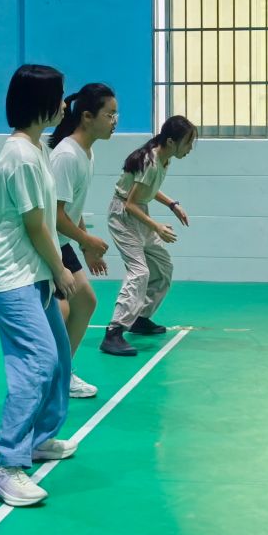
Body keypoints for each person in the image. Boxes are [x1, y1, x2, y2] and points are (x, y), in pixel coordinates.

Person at [0, 64, 79, 507]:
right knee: (37, 361)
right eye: (59, 97)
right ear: (42, 102)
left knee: (59, 359)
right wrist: (61, 270)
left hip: (32, 271)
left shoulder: (37, 148)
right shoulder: (19, 154)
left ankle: (37, 440)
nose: (64, 105)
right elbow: (35, 224)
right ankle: (4, 465)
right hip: (10, 276)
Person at [100, 115, 196, 356]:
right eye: (188, 142)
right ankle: (113, 332)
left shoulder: (164, 159)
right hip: (123, 217)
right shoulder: (150, 161)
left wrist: (172, 204)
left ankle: (140, 318)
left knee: (163, 268)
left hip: (139, 213)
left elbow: (149, 189)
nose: (190, 148)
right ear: (171, 142)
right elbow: (130, 203)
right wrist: (157, 227)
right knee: (139, 272)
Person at [46, 82, 118, 400]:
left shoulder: (86, 152)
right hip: (47, 243)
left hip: (62, 241)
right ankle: (49, 376)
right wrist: (86, 239)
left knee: (85, 301)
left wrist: (85, 245)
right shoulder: (66, 156)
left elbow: (71, 209)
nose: (114, 121)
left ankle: (62, 371)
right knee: (62, 310)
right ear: (87, 117)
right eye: (109, 115)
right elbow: (55, 215)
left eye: (116, 115)